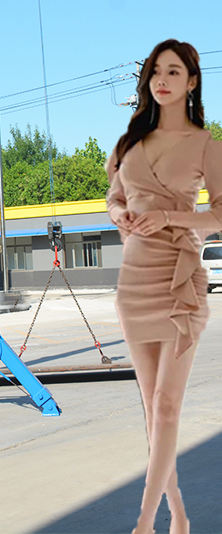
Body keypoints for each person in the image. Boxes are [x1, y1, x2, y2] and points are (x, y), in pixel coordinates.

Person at [106, 39, 222, 534]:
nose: (162, 80)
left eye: (174, 71)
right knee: (151, 408)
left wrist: (168, 218)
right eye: (156, 71)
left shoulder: (206, 145)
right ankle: (177, 512)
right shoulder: (129, 143)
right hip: (135, 281)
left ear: (191, 82)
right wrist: (121, 215)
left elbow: (219, 214)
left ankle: (145, 521)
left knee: (168, 404)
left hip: (179, 281)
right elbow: (113, 198)